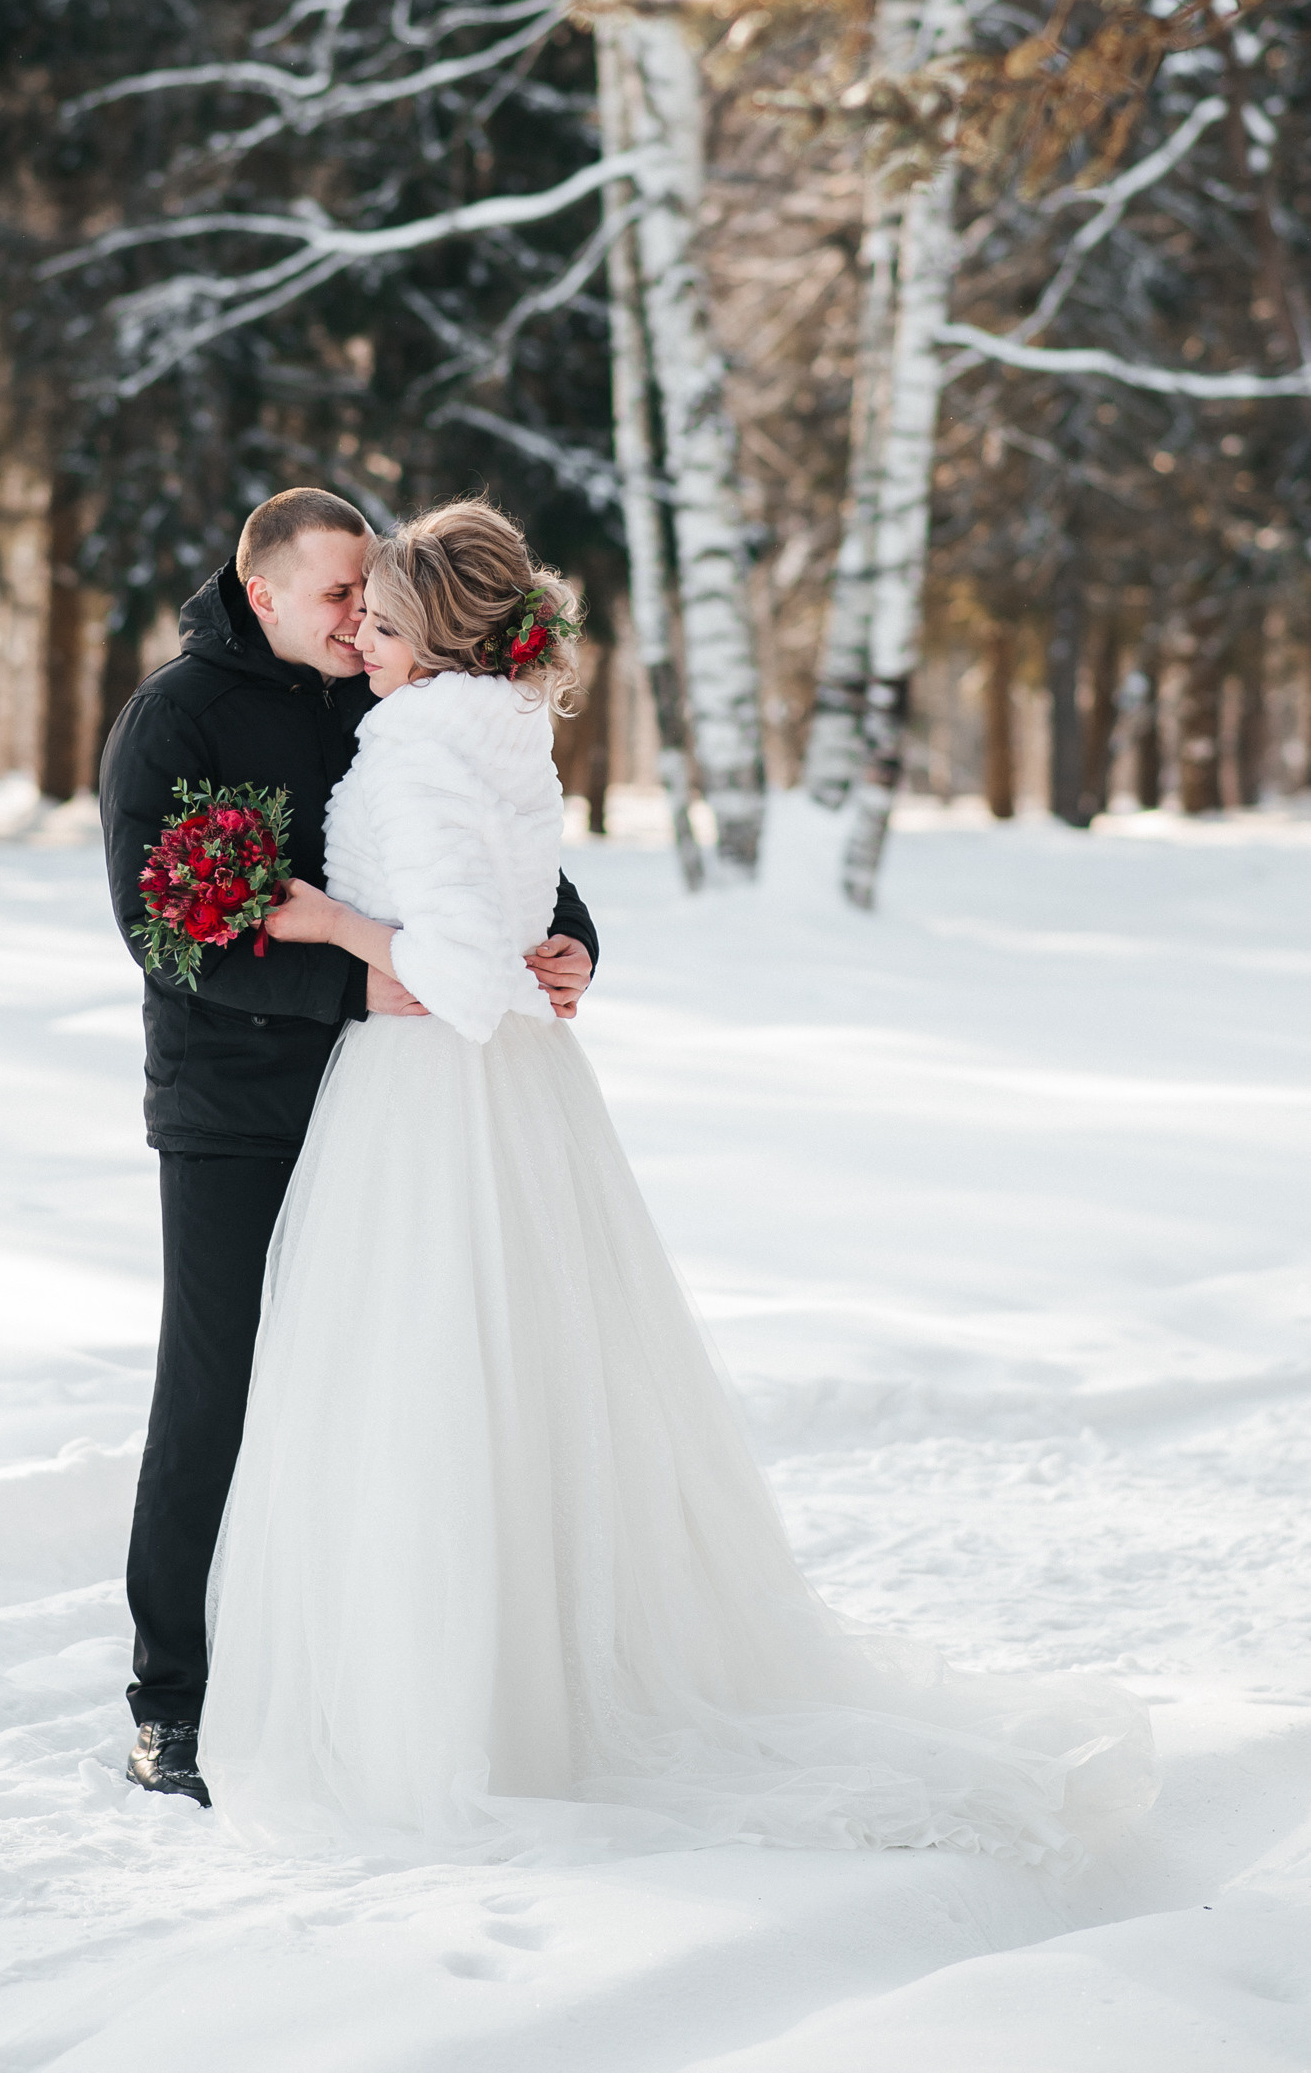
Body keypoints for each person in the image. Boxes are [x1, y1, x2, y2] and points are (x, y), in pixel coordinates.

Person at [199, 498, 1154, 1860]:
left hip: (432, 1108)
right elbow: (512, 928)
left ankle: (450, 1711)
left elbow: (465, 979)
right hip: (515, 1105)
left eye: (389, 619)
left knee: (425, 1394)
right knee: (516, 1395)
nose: (368, 634)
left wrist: (335, 921)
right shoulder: (500, 731)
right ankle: (525, 1673)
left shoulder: (416, 751)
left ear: (440, 639)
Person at [98, 487, 601, 1805]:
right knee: (221, 1392)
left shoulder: (387, 689)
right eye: (335, 599)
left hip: (393, 1105)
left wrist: (573, 942)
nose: (356, 620)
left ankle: (334, 1670)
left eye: (368, 600)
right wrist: (356, 985)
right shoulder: (177, 721)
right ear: (258, 592)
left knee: (381, 1404)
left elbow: (487, 846)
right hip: (238, 1108)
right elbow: (168, 934)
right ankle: (175, 1698)